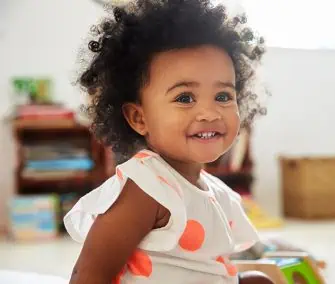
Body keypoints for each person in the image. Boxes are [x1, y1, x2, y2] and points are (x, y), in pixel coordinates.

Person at [64, 0, 272, 283]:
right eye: (185, 98)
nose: (210, 113)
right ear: (139, 118)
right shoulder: (147, 187)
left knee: (259, 280)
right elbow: (89, 273)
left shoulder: (215, 191)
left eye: (223, 96)